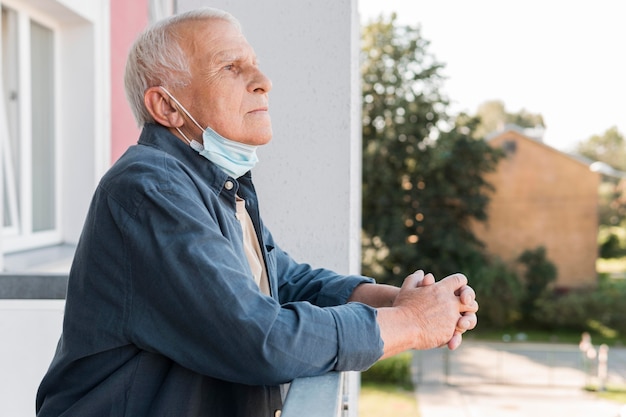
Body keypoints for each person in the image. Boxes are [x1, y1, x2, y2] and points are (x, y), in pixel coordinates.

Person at [35, 7, 478, 417]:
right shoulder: (150, 189)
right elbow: (258, 339)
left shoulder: (215, 184)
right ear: (167, 106)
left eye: (254, 63)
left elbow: (286, 281)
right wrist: (411, 323)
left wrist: (402, 300)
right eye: (231, 67)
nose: (263, 80)